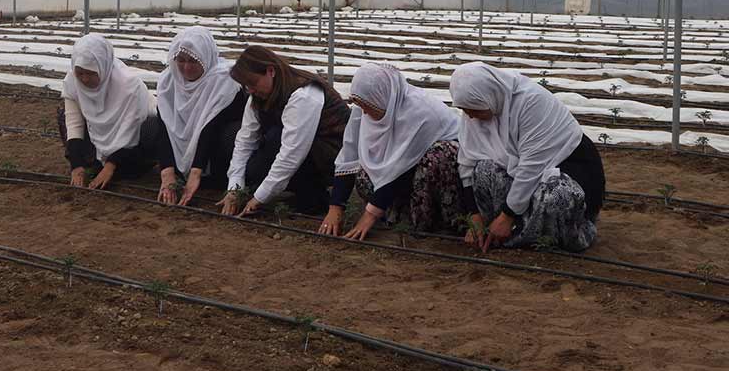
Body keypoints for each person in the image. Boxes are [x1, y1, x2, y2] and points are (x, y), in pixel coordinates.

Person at [450, 62, 604, 252]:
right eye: (466, 111)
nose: (471, 118)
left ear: (492, 95)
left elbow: (532, 166)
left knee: (556, 196)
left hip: (570, 166)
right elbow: (466, 161)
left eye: (476, 110)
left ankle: (574, 233)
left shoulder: (530, 102)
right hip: (525, 173)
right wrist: (475, 214)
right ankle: (510, 229)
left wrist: (507, 215)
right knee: (483, 170)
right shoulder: (475, 112)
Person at [323, 63, 463, 240]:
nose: (364, 113)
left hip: (440, 170)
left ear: (384, 98)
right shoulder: (363, 107)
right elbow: (349, 154)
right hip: (404, 170)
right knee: (364, 173)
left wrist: (369, 216)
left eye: (368, 107)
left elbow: (400, 168)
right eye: (361, 106)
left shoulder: (420, 112)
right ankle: (399, 216)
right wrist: (336, 207)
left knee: (437, 157)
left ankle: (437, 222)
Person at [218, 45, 350, 217]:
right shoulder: (257, 96)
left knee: (275, 140)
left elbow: (292, 154)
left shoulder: (303, 94)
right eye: (246, 86)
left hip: (333, 156)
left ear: (270, 71)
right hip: (303, 149)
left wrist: (259, 198)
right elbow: (245, 140)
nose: (250, 90)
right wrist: (234, 187)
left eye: (253, 83)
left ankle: (314, 196)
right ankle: (294, 189)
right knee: (234, 138)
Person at [156, 27, 246, 206]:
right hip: (189, 158)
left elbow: (210, 128)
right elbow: (163, 126)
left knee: (231, 134)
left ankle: (218, 179)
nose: (186, 67)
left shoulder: (225, 82)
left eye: (193, 61)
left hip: (216, 153)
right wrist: (166, 173)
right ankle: (182, 173)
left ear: (206, 58)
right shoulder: (169, 81)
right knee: (149, 126)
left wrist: (196, 172)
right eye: (181, 60)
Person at [58, 34, 158, 190]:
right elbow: (74, 124)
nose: (84, 79)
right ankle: (97, 162)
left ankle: (123, 166)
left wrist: (111, 165)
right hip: (100, 140)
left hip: (135, 144)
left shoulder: (128, 86)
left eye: (91, 73)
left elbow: (130, 132)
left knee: (152, 126)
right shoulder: (72, 82)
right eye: (80, 72)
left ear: (103, 67)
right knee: (63, 116)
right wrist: (76, 165)